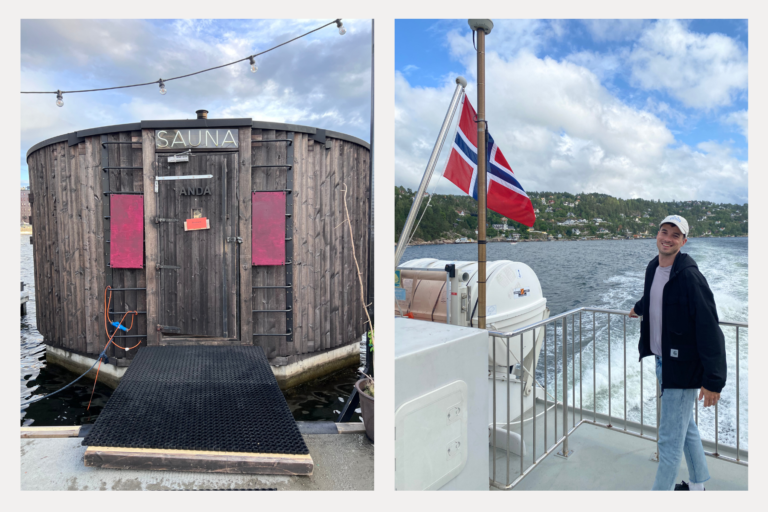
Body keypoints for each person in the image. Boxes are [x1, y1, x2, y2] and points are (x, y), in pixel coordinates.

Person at [629, 215, 726, 491]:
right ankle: (698, 487)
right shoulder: (653, 267)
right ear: (657, 235)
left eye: (675, 234)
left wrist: (713, 380)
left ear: (684, 241)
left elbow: (710, 329)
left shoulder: (690, 277)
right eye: (664, 231)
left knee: (669, 440)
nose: (667, 238)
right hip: (663, 362)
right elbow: (654, 296)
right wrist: (639, 307)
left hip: (683, 368)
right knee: (686, 430)